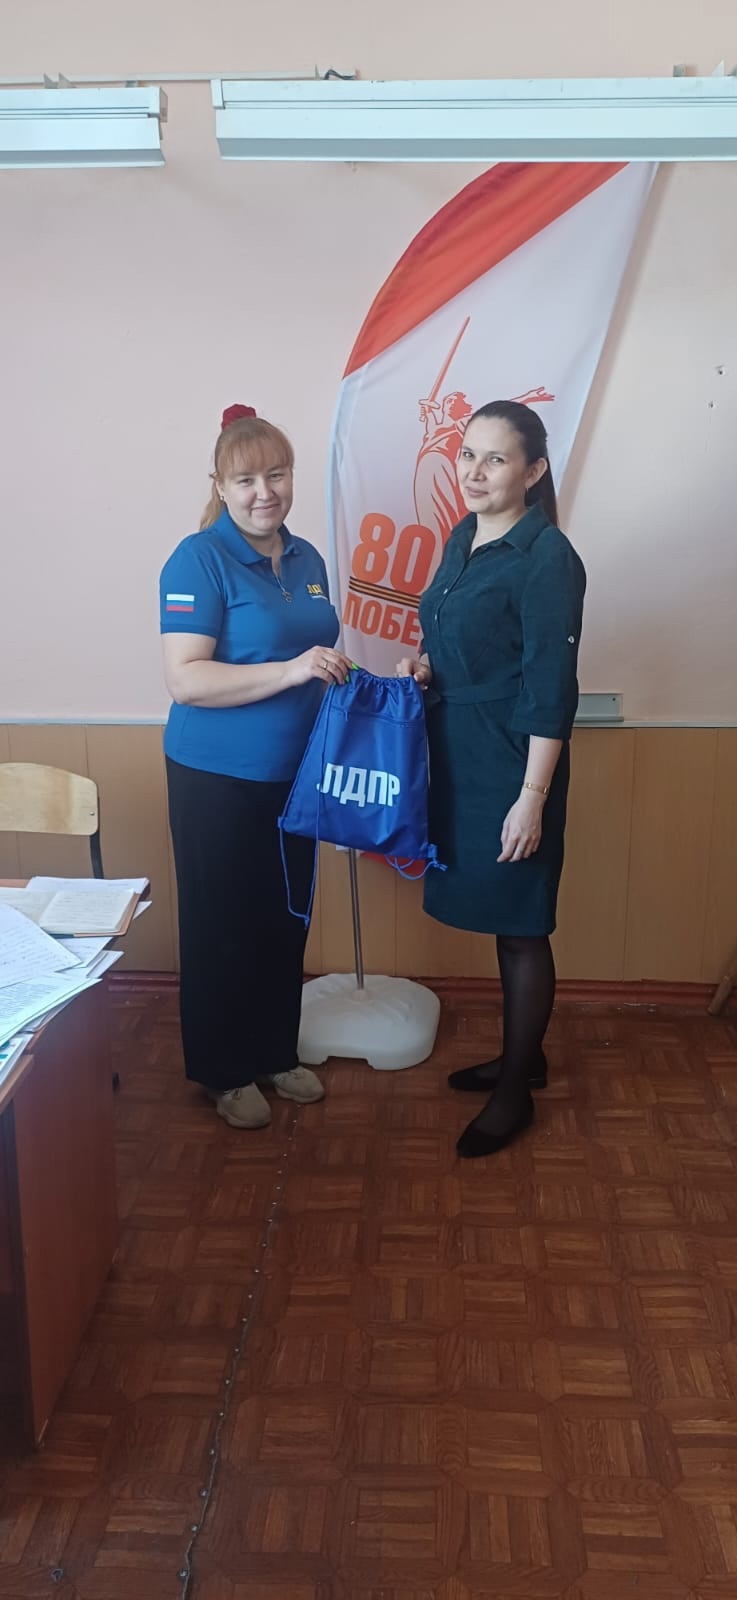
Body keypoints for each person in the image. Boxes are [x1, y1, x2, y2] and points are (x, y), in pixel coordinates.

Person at [397, 400, 586, 1160]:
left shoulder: (548, 557)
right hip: (457, 749)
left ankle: (516, 1089)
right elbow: (457, 637)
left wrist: (531, 799)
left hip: (513, 759)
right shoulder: (462, 534)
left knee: (521, 922)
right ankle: (523, 1057)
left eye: (495, 459)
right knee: (501, 912)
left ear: (533, 471)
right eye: (467, 454)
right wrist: (426, 666)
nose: (474, 472)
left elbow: (551, 686)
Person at [160, 404, 351, 1129]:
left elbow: (319, 658)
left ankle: (273, 1051)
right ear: (220, 485)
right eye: (245, 480)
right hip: (216, 777)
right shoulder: (198, 559)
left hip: (295, 775)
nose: (263, 492)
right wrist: (292, 670)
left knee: (283, 917)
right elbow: (187, 680)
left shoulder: (307, 559)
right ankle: (224, 1069)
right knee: (222, 924)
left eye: (277, 474)